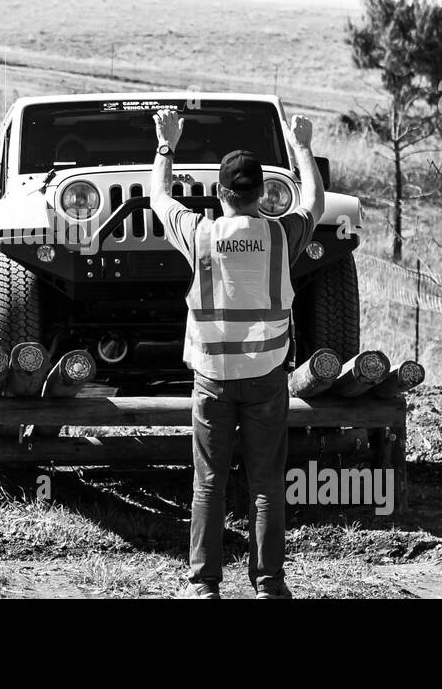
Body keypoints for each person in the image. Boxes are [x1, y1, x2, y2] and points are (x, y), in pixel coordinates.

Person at [149, 107, 324, 600]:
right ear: (260, 193)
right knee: (266, 484)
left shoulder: (200, 235)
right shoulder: (280, 234)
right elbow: (314, 199)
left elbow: (159, 196)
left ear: (221, 192)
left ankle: (203, 586)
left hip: (212, 377)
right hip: (268, 376)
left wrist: (167, 143)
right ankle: (269, 586)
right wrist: (302, 146)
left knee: (209, 483)